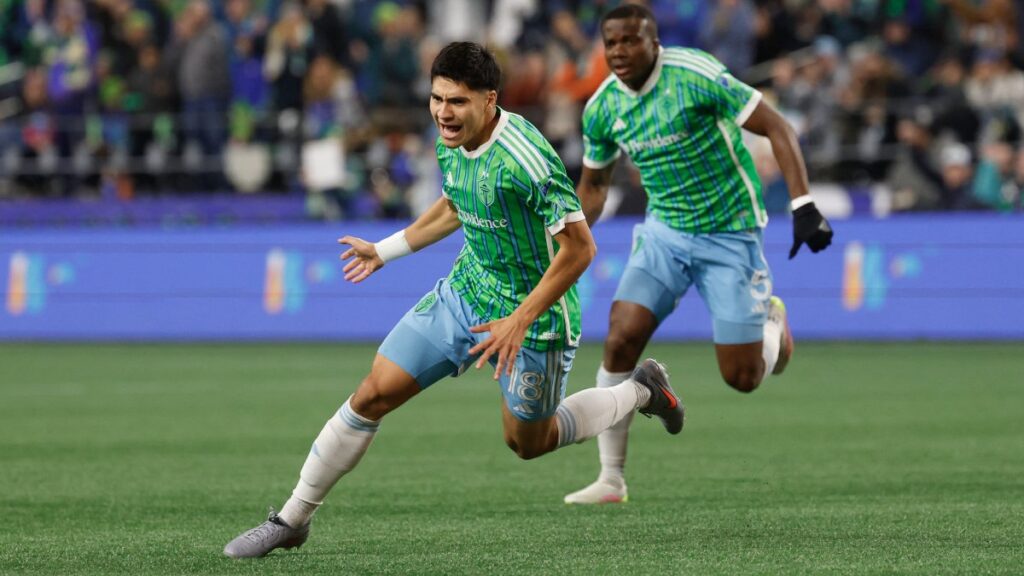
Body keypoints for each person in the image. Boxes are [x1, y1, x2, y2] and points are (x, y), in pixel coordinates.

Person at [222, 41, 685, 559]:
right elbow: (454, 204)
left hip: (534, 315)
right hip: (465, 292)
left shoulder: (526, 161)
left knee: (528, 442)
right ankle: (291, 518)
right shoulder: (450, 137)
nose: (444, 111)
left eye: (458, 101)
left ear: (490, 100)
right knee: (373, 392)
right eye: (438, 98)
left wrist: (518, 319)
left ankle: (642, 390)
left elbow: (580, 250)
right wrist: (386, 250)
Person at [563, 4, 834, 505]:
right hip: (665, 231)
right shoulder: (602, 107)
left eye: (631, 40)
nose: (620, 51)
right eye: (611, 43)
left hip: (730, 231)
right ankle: (611, 479)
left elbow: (776, 126)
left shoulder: (695, 74)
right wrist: (566, 240)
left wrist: (803, 205)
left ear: (655, 42)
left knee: (743, 377)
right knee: (620, 337)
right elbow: (595, 188)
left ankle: (773, 320)